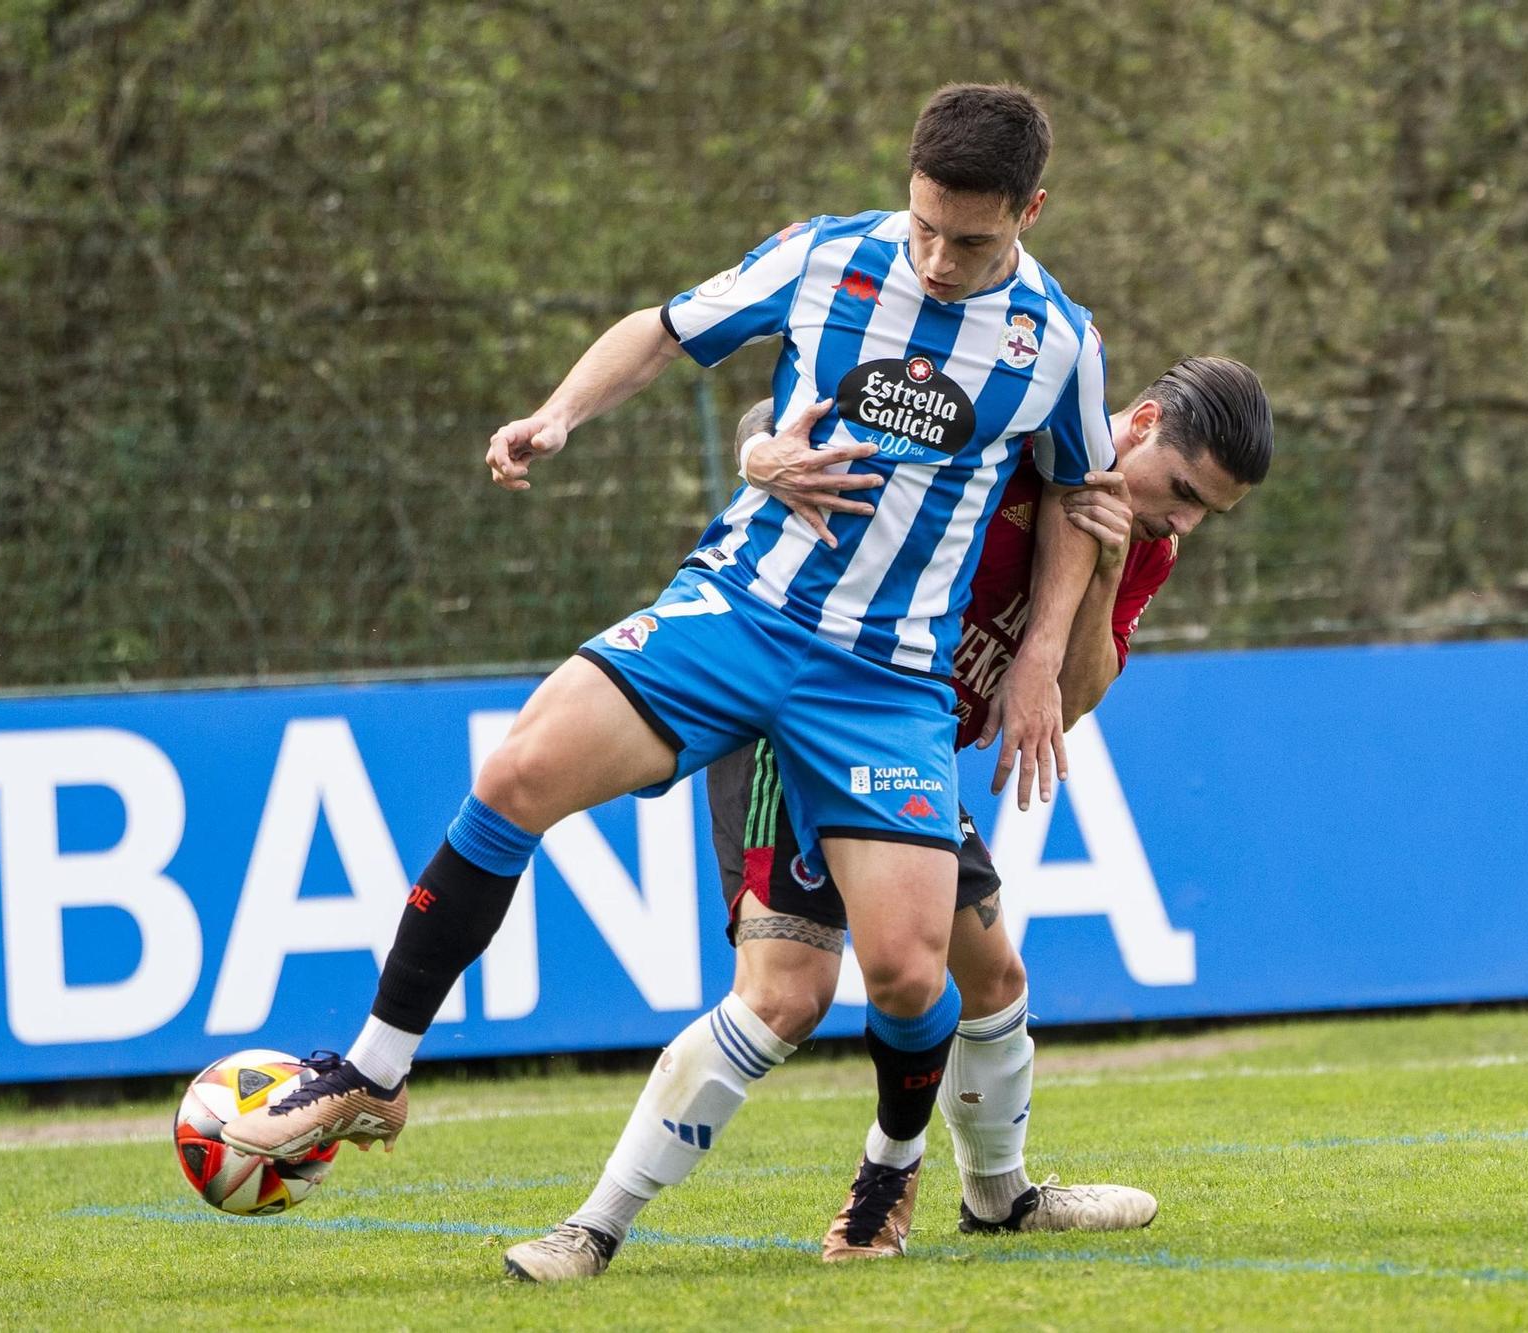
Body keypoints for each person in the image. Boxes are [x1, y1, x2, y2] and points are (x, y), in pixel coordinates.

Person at [222, 83, 1115, 1276]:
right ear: (904, 188)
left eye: (973, 240)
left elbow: (1078, 496)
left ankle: (891, 1169)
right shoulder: (828, 255)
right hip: (736, 613)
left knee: (907, 970)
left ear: (1032, 212)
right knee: (517, 771)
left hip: (884, 677)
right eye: (926, 228)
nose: (940, 260)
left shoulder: (1058, 342)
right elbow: (662, 325)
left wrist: (1042, 653)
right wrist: (558, 415)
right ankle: (373, 1071)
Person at [681, 357, 1270, 1257]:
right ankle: (596, 1223)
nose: (1183, 520)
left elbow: (1066, 703)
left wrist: (1109, 570)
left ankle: (998, 1197)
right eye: (1183, 491)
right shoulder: (1002, 444)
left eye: (1205, 514)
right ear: (1142, 422)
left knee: (991, 980)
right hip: (801, 720)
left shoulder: (1144, 540)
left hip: (904, 763)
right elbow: (780, 410)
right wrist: (764, 451)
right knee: (780, 998)